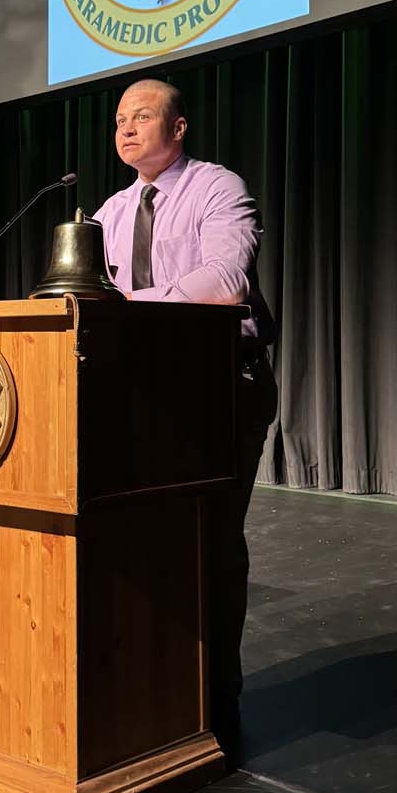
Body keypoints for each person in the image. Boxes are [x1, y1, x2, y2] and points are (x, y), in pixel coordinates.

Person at [93, 79, 277, 751]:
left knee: (211, 544)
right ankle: (161, 689)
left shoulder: (216, 189)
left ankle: (217, 704)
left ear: (178, 128)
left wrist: (135, 309)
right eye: (119, 120)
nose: (127, 129)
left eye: (143, 116)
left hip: (221, 385)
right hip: (141, 392)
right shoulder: (109, 211)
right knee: (146, 545)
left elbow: (224, 280)